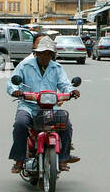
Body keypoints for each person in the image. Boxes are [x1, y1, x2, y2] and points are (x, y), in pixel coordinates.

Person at [7, 35, 80, 174]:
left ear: (52, 55)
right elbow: (11, 83)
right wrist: (15, 91)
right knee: (20, 124)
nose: (45, 56)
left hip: (50, 107)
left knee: (66, 124)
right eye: (42, 53)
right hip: (28, 106)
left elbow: (65, 84)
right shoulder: (25, 65)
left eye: (48, 54)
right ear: (37, 53)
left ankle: (64, 158)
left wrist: (71, 91)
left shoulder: (57, 68)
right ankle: (19, 159)